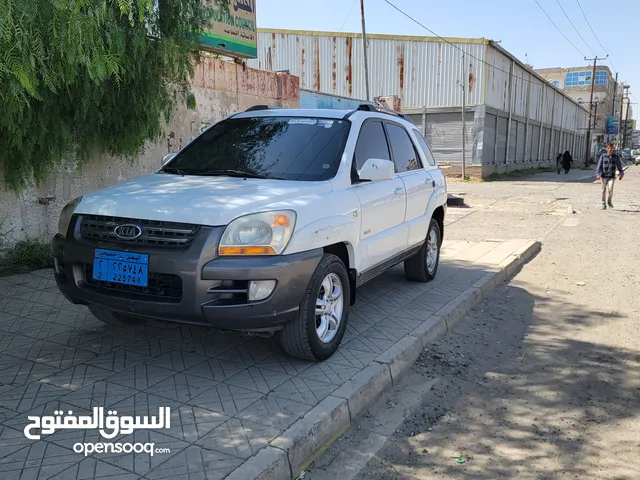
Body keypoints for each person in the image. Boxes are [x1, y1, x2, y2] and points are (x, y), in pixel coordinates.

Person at [596, 143, 624, 210]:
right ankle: (603, 203)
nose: (610, 150)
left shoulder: (616, 156)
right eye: (608, 148)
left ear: (613, 149)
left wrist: (621, 172)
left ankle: (609, 201)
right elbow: (599, 166)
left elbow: (619, 166)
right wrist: (598, 174)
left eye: (611, 148)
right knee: (603, 191)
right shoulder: (603, 156)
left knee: (610, 190)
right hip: (604, 176)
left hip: (611, 176)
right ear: (607, 149)